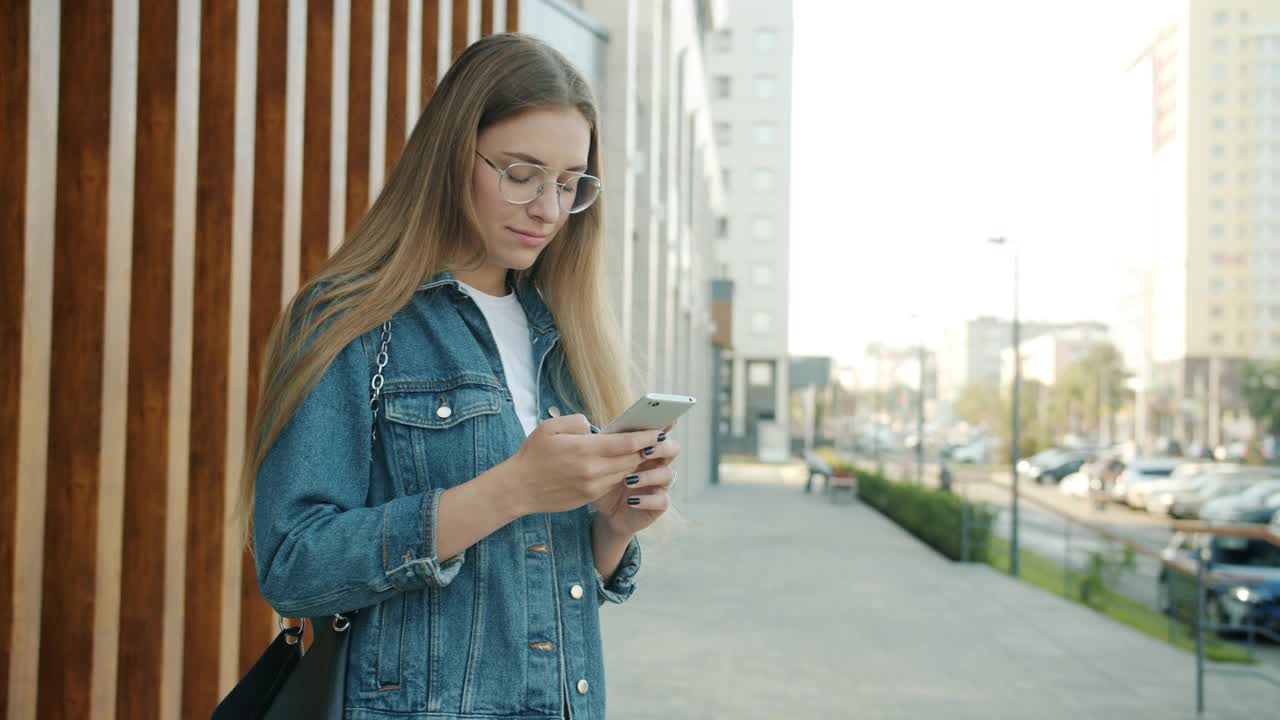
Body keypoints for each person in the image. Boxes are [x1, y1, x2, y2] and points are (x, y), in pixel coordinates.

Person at [239, 33, 681, 719]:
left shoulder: (563, 337)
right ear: (452, 156)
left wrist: (612, 529)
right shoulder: (355, 320)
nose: (548, 209)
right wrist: (511, 489)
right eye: (520, 173)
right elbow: (295, 566)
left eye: (569, 184)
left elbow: (538, 590)